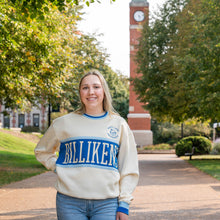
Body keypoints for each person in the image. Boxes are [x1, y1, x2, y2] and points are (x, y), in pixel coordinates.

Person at [35, 69, 139, 220]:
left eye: (96, 87)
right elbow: (42, 151)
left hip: (107, 204)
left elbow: (128, 167)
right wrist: (57, 167)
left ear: (104, 91)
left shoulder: (119, 124)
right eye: (85, 87)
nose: (91, 92)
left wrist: (124, 203)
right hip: (69, 202)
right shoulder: (63, 123)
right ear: (80, 92)